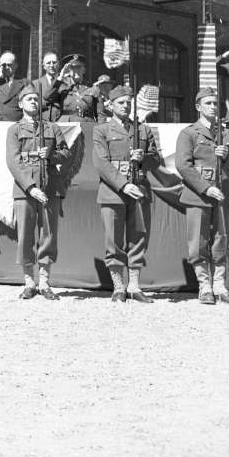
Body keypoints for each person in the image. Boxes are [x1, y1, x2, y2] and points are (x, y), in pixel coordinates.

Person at [175, 87, 229, 305]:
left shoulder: (228, 134)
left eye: (215, 103)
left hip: (222, 194)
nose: (213, 107)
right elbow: (183, 166)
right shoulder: (189, 133)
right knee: (198, 242)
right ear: (198, 107)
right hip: (199, 196)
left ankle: (220, 287)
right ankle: (204, 287)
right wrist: (205, 188)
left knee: (221, 241)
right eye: (208, 103)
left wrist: (227, 157)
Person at [92, 85, 161, 302]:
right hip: (113, 192)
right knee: (114, 240)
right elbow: (101, 163)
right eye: (121, 102)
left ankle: (134, 286)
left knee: (138, 237)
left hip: (139, 188)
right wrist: (123, 184)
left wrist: (143, 158)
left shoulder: (143, 130)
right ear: (111, 105)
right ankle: (118, 286)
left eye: (128, 102)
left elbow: (156, 159)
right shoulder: (102, 130)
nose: (125, 106)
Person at [5, 85, 70, 300]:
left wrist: (51, 155)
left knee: (48, 234)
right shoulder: (14, 130)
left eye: (36, 99)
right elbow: (13, 162)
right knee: (25, 235)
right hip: (26, 189)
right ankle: (28, 281)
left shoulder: (52, 128)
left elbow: (65, 153)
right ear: (21, 104)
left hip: (50, 184)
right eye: (29, 99)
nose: (33, 101)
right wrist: (31, 188)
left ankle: (44, 281)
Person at [55, 54, 102, 123]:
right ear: (68, 70)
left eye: (79, 67)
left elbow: (101, 115)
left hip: (87, 125)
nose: (76, 70)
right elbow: (47, 98)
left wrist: (101, 132)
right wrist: (60, 77)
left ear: (84, 70)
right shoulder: (61, 87)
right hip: (66, 126)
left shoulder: (93, 88)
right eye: (72, 68)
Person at [30, 51, 63, 122]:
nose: (51, 65)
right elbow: (34, 103)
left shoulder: (65, 83)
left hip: (60, 120)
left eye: (54, 62)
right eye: (48, 63)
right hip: (41, 121)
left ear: (58, 64)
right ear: (44, 66)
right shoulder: (35, 84)